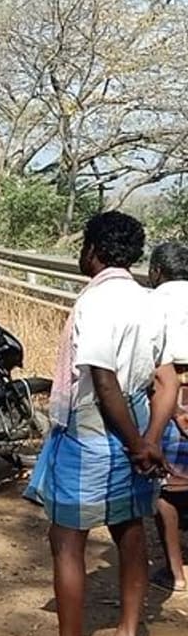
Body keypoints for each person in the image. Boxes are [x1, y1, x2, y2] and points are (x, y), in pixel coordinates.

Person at [21, 211, 167, 636]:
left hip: (97, 427)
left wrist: (135, 443)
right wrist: (149, 438)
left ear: (94, 251)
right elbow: (161, 376)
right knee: (130, 531)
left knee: (66, 538)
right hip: (139, 417)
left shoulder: (96, 302)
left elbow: (102, 378)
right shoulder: (150, 301)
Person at [144, 241, 188, 594]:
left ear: (156, 271)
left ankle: (174, 573)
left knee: (166, 489)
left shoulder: (151, 302)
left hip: (174, 393)